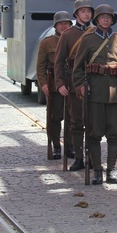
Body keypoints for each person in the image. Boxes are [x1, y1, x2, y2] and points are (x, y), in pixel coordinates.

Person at [72, 4, 117, 185]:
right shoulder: (87, 39)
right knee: (94, 133)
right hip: (95, 93)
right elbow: (78, 67)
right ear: (96, 19)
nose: (105, 19)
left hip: (115, 93)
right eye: (102, 17)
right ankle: (97, 170)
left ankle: (111, 169)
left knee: (115, 133)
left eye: (109, 17)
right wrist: (81, 85)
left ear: (112, 20)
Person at [54, 0, 96, 169]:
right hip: (74, 83)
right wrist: (60, 83)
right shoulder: (67, 35)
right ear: (77, 14)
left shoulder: (96, 32)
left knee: (94, 123)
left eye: (89, 11)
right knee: (76, 123)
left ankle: (93, 157)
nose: (87, 14)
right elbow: (59, 61)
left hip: (95, 82)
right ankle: (79, 156)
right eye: (83, 11)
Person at [37, 11, 73, 160]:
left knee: (72, 118)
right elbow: (40, 66)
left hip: (71, 84)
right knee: (54, 118)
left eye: (66, 23)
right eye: (60, 24)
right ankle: (56, 145)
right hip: (53, 86)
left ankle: (71, 146)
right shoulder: (47, 43)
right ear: (55, 26)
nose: (63, 26)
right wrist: (44, 84)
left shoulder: (76, 40)